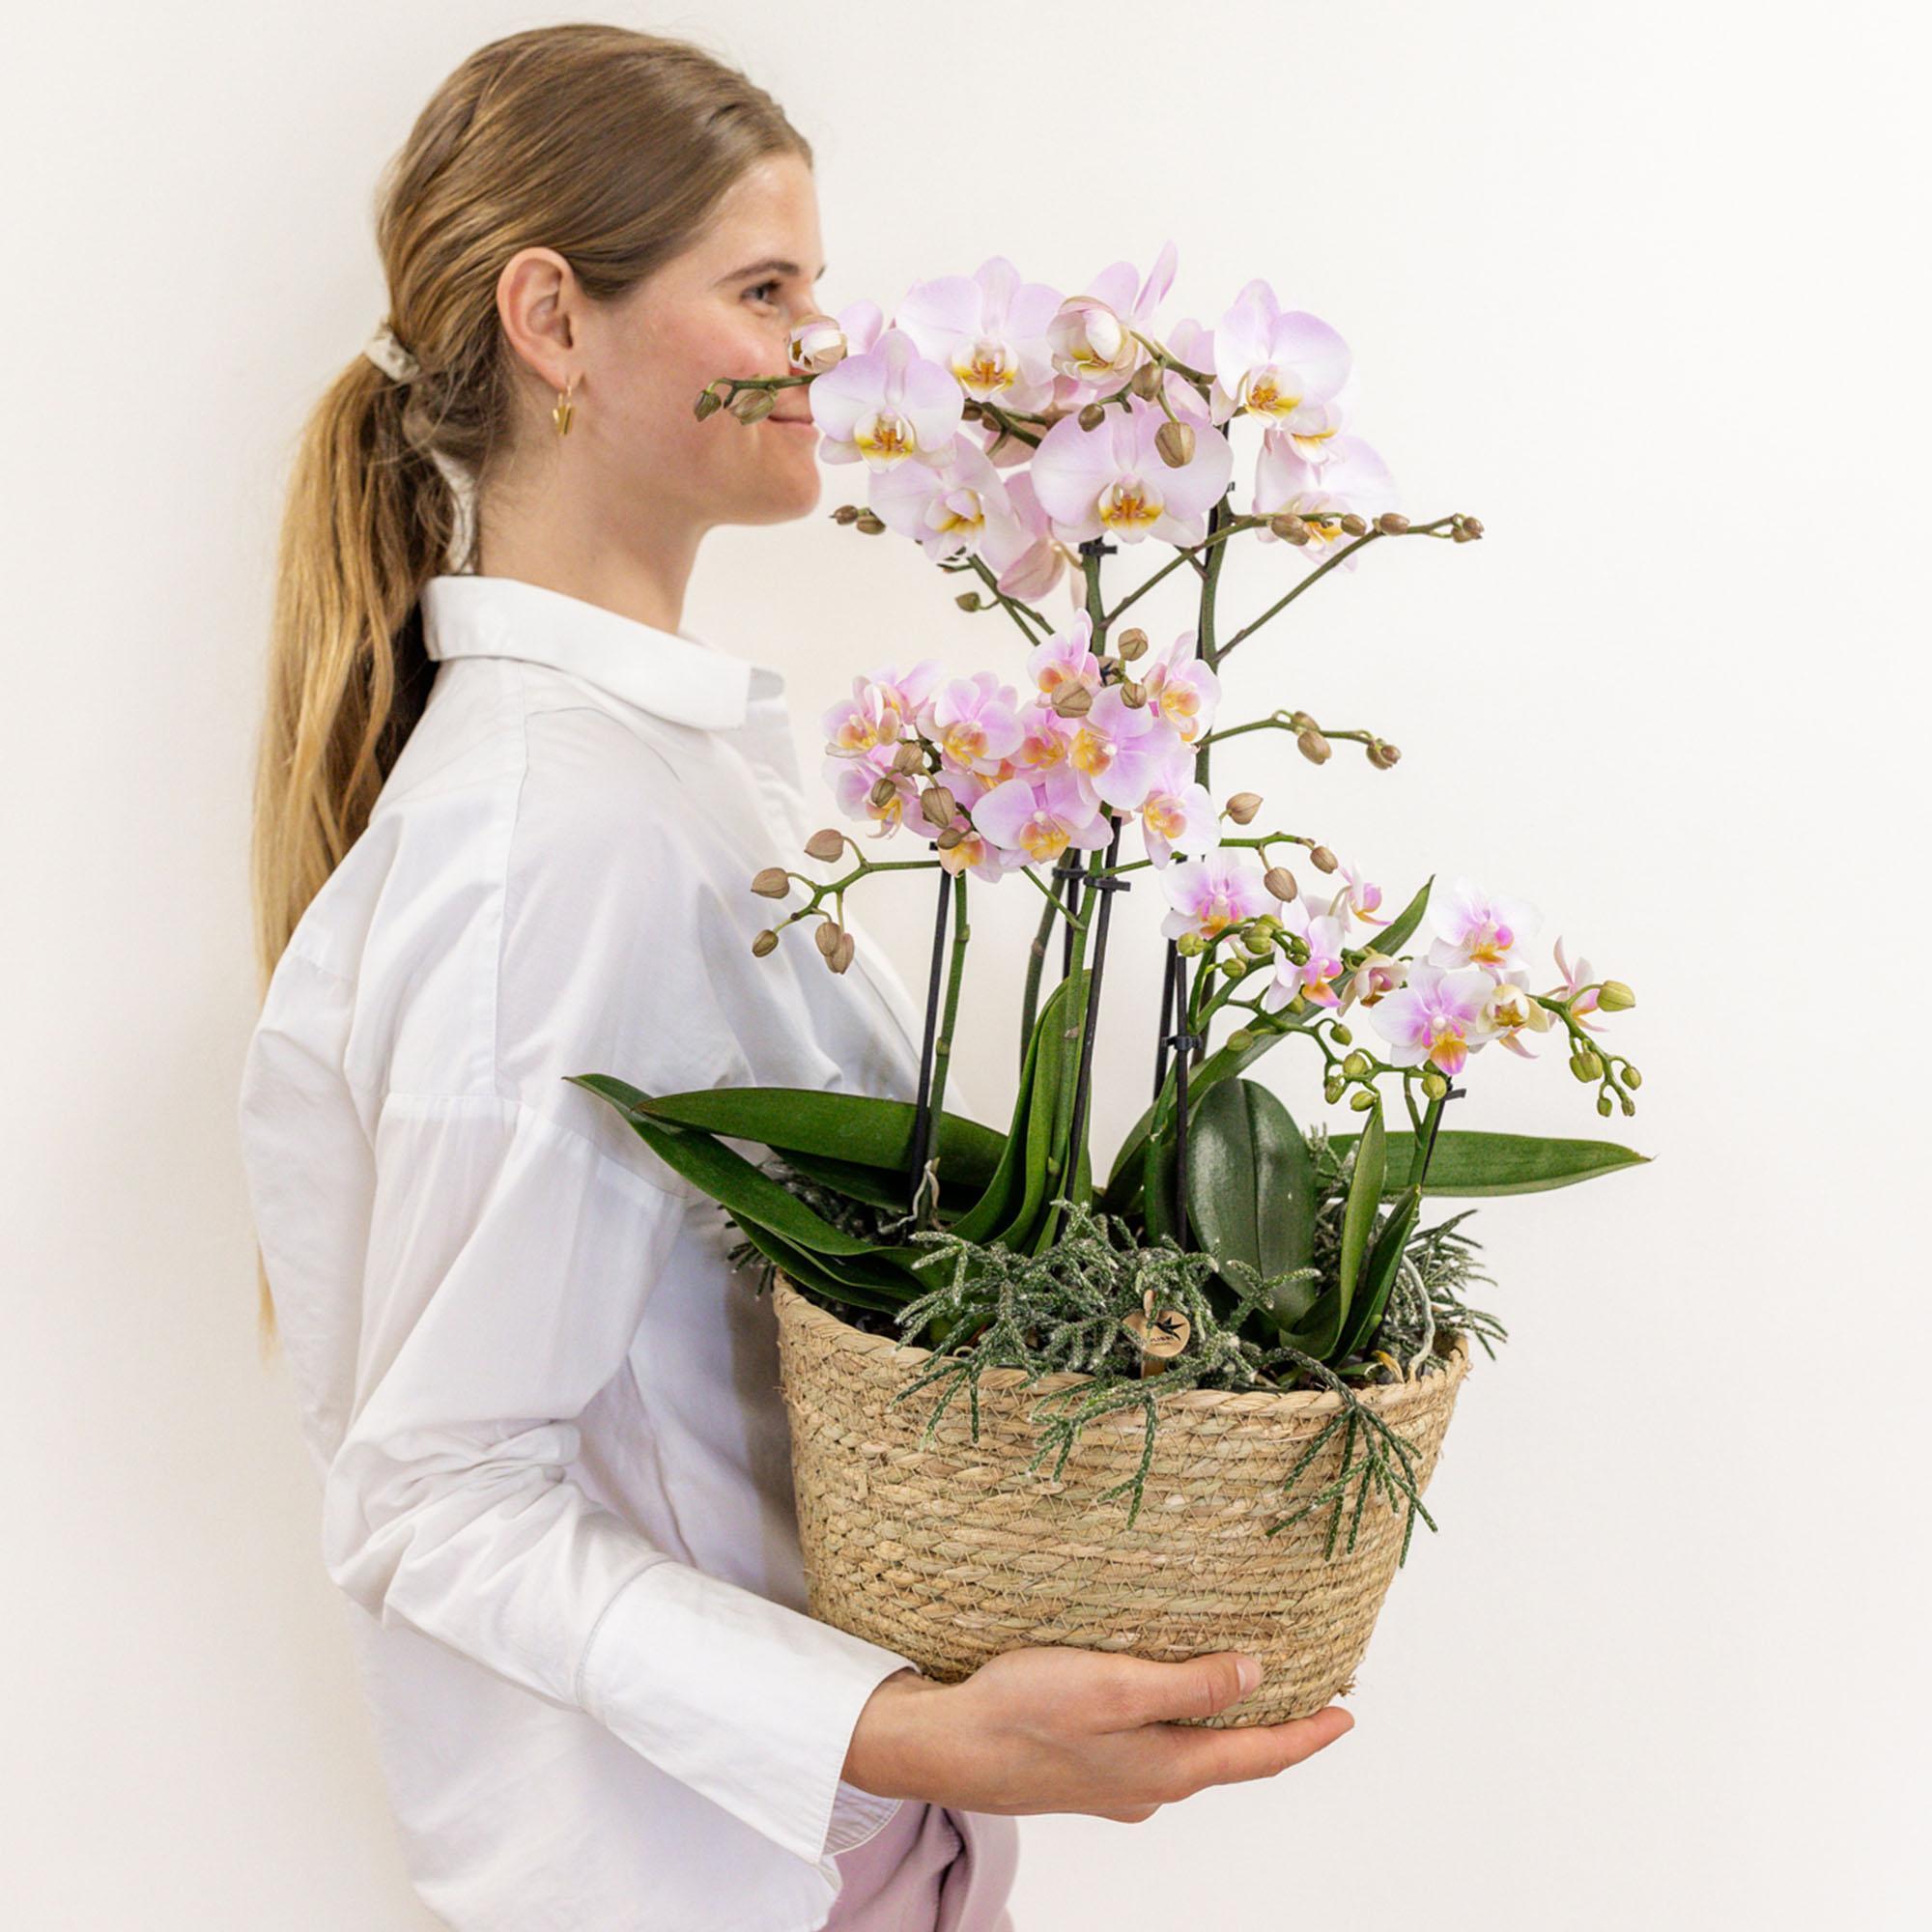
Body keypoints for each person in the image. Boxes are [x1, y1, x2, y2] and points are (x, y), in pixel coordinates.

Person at [237, 24, 1354, 1932]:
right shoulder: (551, 830)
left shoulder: (686, 768)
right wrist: (925, 1736)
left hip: (829, 1857)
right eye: (764, 288)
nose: (826, 343)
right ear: (553, 322)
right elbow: (435, 1501)